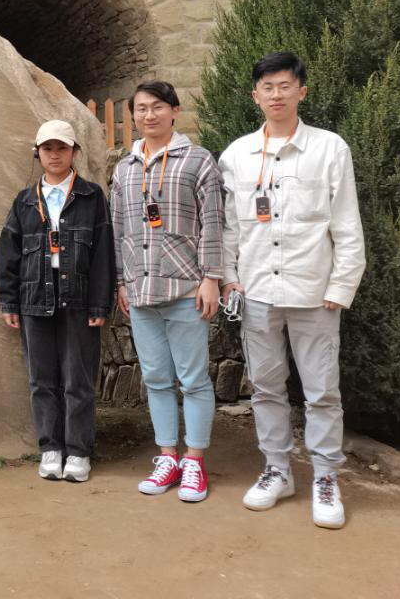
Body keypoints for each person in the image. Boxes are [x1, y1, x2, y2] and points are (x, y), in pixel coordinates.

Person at [219, 52, 365, 529]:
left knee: (322, 391)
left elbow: (346, 224)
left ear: (302, 91)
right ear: (255, 96)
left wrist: (341, 286)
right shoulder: (237, 155)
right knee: (265, 388)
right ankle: (277, 470)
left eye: (285, 85)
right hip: (257, 290)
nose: (276, 94)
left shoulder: (329, 149)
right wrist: (229, 277)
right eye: (268, 87)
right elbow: (230, 228)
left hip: (314, 293)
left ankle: (326, 477)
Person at [112, 81, 223, 503]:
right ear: (133, 116)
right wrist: (121, 281)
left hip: (186, 289)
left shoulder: (198, 161)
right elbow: (118, 228)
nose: (149, 115)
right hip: (140, 291)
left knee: (193, 379)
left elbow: (213, 222)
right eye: (141, 109)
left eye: (158, 107)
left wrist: (211, 277)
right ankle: (167, 457)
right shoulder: (125, 168)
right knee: (156, 379)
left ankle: (195, 460)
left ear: (175, 111)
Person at [0, 120, 113, 483]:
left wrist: (100, 305)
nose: (55, 155)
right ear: (38, 153)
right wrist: (8, 302)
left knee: (79, 380)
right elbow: (9, 253)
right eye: (48, 148)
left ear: (74, 151)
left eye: (62, 148)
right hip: (35, 299)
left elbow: (103, 255)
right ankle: (50, 447)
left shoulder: (92, 197)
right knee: (41, 379)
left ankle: (78, 451)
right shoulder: (25, 201)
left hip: (79, 300)